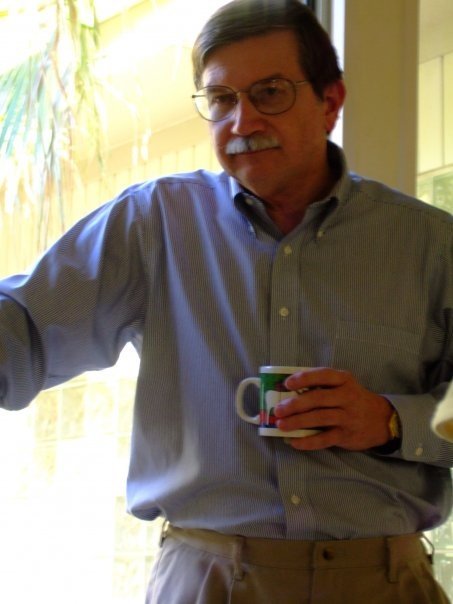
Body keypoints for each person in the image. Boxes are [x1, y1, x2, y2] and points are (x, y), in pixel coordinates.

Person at [1, 0, 452, 602]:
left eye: (270, 93)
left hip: (385, 584)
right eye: (221, 99)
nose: (242, 121)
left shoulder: (430, 244)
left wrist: (392, 421)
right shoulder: (153, 222)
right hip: (206, 581)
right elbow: (24, 330)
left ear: (330, 102)